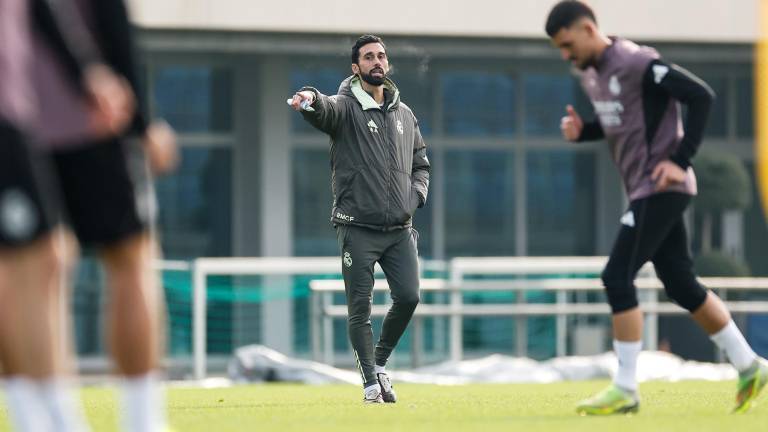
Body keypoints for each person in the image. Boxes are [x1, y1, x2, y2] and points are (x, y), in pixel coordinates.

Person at [544, 0, 767, 415]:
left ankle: (626, 387)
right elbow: (623, 123)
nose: (566, 55)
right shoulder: (592, 73)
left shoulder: (635, 61)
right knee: (680, 284)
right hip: (644, 190)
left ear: (589, 29)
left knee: (616, 276)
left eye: (568, 44)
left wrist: (679, 160)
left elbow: (701, 96)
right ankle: (750, 364)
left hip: (662, 187)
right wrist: (585, 131)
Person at [28, 0, 178, 430]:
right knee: (130, 257)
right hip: (85, 118)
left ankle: (48, 417)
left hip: (23, 118)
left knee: (36, 267)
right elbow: (109, 18)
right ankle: (141, 420)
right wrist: (141, 123)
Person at [0, 0, 135, 430]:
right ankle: (44, 418)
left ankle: (45, 415)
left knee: (43, 257)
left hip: (14, 110)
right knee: (35, 259)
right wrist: (86, 73)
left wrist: (83, 73)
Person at [289, 34, 430, 404]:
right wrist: (309, 99)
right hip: (358, 228)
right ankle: (370, 384)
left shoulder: (404, 114)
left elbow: (421, 163)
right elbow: (323, 107)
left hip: (400, 230)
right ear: (356, 68)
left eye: (381, 56)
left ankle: (379, 363)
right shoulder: (346, 107)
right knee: (360, 309)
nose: (377, 62)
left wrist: (414, 198)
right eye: (368, 57)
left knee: (409, 297)